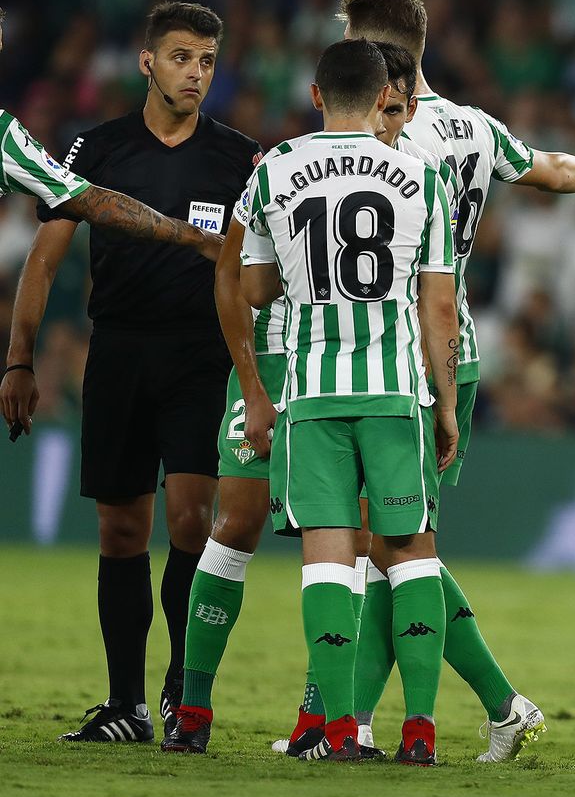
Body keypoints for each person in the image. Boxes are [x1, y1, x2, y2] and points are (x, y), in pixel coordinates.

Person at [336, 0, 575, 762]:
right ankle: (363, 721)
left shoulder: (383, 136)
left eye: (350, 43)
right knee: (390, 546)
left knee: (395, 546)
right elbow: (542, 165)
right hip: (451, 349)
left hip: (405, 352)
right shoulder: (474, 126)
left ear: (380, 54)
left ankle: (486, 704)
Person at [3, 2, 257, 745]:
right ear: (147, 62)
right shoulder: (96, 147)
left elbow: (254, 269)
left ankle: (185, 689)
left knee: (188, 521)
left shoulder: (239, 157)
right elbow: (44, 261)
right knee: (119, 530)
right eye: (182, 57)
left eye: (208, 60)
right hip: (116, 350)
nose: (196, 73)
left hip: (198, 355)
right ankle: (125, 704)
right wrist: (20, 355)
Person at [162, 42, 424, 756]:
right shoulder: (281, 169)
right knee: (238, 520)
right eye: (390, 106)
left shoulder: (397, 171)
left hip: (352, 374)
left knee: (355, 539)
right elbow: (231, 277)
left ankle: (318, 716)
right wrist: (249, 383)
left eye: (405, 110)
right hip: (279, 365)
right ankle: (192, 705)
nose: (397, 119)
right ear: (372, 100)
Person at [239, 38, 460, 764]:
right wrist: (447, 404)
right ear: (381, 98)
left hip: (312, 394)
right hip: (395, 391)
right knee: (412, 554)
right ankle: (420, 731)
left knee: (327, 560)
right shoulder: (419, 175)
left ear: (314, 95)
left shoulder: (274, 169)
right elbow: (438, 305)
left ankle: (337, 732)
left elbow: (254, 289)